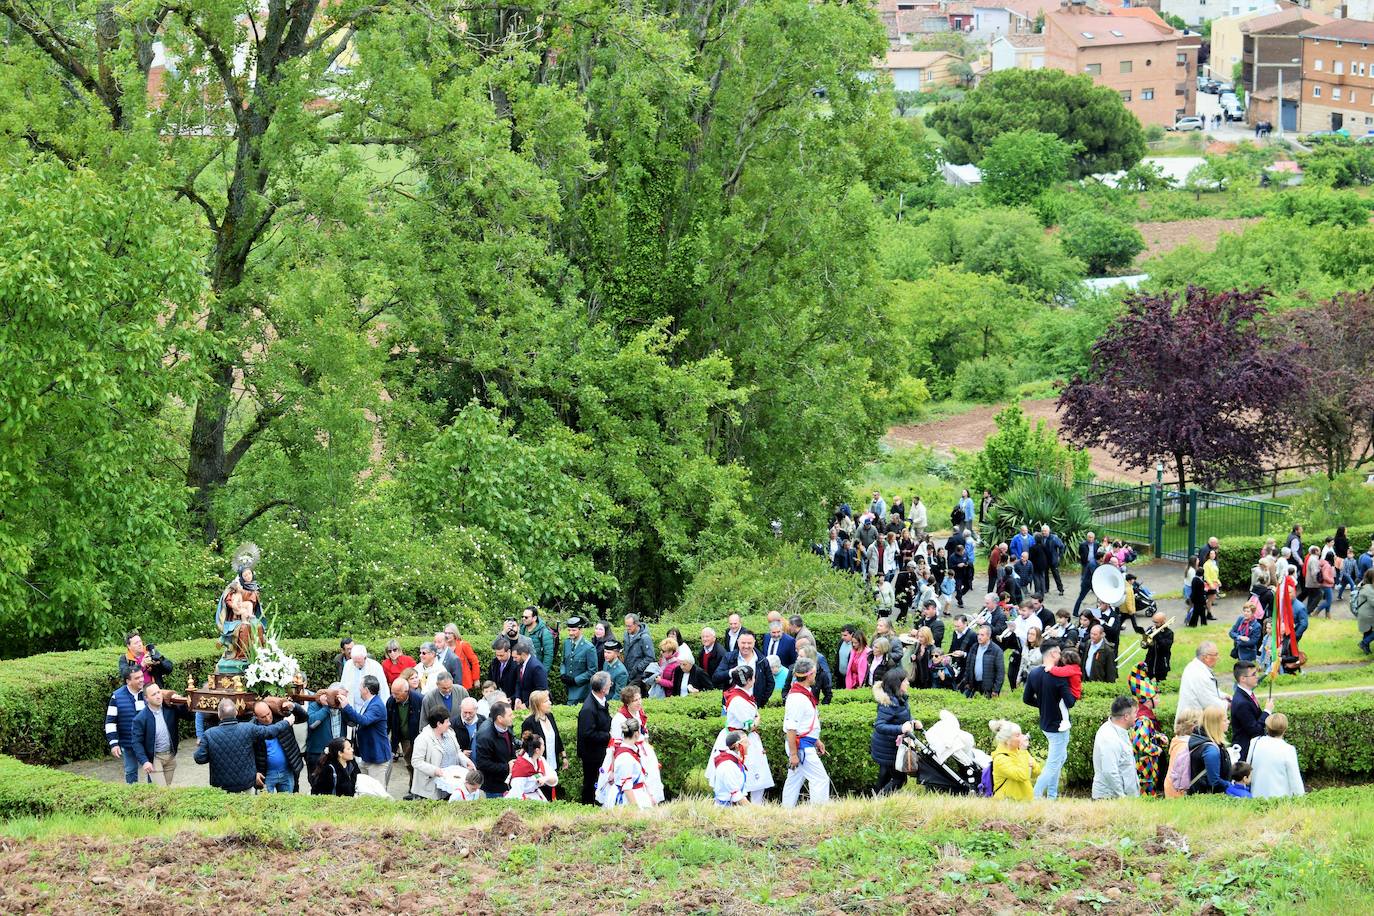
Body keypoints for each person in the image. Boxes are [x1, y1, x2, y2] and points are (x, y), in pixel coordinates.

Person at [194, 697, 295, 793]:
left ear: (219, 715)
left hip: (221, 788)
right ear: (236, 713)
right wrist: (286, 723)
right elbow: (269, 732)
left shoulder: (209, 734)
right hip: (245, 785)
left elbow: (199, 758)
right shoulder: (248, 728)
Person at [706, 666, 774, 803]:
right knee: (751, 775)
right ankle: (751, 805)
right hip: (741, 739)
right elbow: (749, 725)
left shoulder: (736, 694)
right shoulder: (738, 700)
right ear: (749, 680)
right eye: (753, 677)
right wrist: (757, 719)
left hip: (739, 736)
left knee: (753, 775)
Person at [1023, 642, 1075, 799]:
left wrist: (1044, 705)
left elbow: (1026, 698)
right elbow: (1070, 702)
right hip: (1058, 725)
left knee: (1060, 758)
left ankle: (1052, 795)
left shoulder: (1034, 673)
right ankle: (1036, 795)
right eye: (1059, 653)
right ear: (1053, 654)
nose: (1061, 656)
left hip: (1046, 723)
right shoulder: (1059, 677)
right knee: (1053, 764)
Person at [781, 658, 829, 807]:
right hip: (801, 746)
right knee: (820, 779)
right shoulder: (797, 697)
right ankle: (818, 814)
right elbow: (791, 728)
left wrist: (816, 740)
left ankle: (786, 810)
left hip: (804, 744)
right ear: (809, 675)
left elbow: (804, 723)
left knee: (794, 780)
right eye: (814, 673)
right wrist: (794, 754)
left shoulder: (802, 693)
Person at [611, 686, 665, 803]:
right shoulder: (619, 718)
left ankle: (651, 801)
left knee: (651, 777)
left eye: (640, 699)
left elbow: (644, 734)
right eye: (635, 700)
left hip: (642, 750)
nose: (639, 702)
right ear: (627, 702)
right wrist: (613, 768)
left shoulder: (639, 713)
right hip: (626, 753)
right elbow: (614, 745)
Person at [130, 682, 190, 786]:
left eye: (159, 692)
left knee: (166, 789)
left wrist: (180, 702)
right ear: (146, 698)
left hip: (170, 756)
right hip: (155, 759)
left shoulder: (170, 709)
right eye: (153, 694)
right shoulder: (140, 718)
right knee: (161, 791)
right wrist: (145, 761)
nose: (158, 696)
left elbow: (189, 717)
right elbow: (136, 742)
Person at [870, 668, 916, 796]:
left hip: (889, 747)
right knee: (899, 779)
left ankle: (874, 798)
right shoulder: (889, 703)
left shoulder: (899, 698)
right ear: (897, 684)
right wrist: (901, 728)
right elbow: (879, 725)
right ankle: (880, 800)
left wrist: (913, 722)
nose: (908, 683)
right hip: (887, 748)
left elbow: (902, 717)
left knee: (884, 774)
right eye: (905, 681)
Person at [339, 675, 391, 785]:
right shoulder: (369, 703)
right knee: (363, 790)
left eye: (360, 687)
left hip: (377, 758)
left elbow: (364, 720)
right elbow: (356, 722)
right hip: (367, 756)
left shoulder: (376, 705)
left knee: (377, 794)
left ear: (366, 690)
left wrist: (347, 706)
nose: (359, 689)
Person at [1127, 667, 1167, 797]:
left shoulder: (1141, 714)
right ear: (1149, 700)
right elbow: (1140, 744)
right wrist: (1158, 749)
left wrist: (1158, 736)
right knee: (1147, 798)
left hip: (1145, 766)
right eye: (1156, 697)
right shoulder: (1144, 718)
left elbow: (1145, 735)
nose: (1158, 699)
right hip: (1145, 768)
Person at [251, 699, 306, 794]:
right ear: (256, 716)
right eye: (263, 717)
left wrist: (293, 706)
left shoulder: (281, 717)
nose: (267, 718)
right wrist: (254, 772)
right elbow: (247, 753)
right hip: (266, 774)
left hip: (286, 770)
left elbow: (303, 717)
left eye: (268, 714)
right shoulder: (252, 728)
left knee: (287, 803)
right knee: (266, 805)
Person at [520, 689, 566, 800]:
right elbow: (527, 747)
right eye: (546, 701)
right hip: (538, 767)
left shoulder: (550, 717)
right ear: (538, 705)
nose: (550, 703)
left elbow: (557, 737)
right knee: (543, 795)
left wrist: (563, 756)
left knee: (552, 793)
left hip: (553, 762)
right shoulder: (529, 722)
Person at [1092, 696, 1140, 799]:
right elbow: (1110, 772)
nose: (1137, 716)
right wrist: (1122, 797)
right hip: (1111, 799)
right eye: (1135, 713)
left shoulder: (1119, 731)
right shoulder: (1109, 737)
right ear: (1126, 716)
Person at [105, 667, 147, 784]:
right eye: (137, 678)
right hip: (128, 742)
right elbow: (110, 722)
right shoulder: (117, 696)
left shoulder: (148, 692)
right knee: (131, 771)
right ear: (128, 681)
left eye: (142, 676)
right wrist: (113, 743)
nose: (141, 680)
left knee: (153, 772)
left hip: (148, 741)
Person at [577, 672, 614, 805]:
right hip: (592, 754)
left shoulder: (601, 700)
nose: (611, 685)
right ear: (603, 689)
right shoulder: (588, 709)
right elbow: (587, 733)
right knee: (591, 782)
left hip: (599, 750)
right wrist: (608, 735)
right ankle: (588, 806)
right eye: (610, 683)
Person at [1248, 713, 1305, 798]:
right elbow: (1295, 780)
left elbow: (1248, 767)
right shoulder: (1288, 749)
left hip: (1256, 796)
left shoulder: (1255, 742)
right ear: (1285, 729)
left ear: (1267, 727)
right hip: (1279, 800)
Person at [601, 717, 652, 809]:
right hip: (628, 799)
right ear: (636, 734)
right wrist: (635, 808)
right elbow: (626, 787)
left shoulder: (628, 751)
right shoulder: (625, 757)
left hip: (636, 793)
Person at [714, 631, 774, 707]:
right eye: (743, 643)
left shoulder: (762, 660)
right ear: (738, 642)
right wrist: (731, 673)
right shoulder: (729, 657)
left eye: (749, 643)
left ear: (754, 643)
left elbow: (770, 683)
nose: (746, 646)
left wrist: (760, 702)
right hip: (731, 704)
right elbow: (716, 677)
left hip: (753, 705)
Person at [1176, 642, 1227, 726]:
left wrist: (1224, 695)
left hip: (1192, 721)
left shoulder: (1196, 667)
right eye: (1216, 654)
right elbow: (1210, 703)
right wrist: (1228, 704)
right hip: (1192, 724)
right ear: (1206, 657)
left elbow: (1209, 690)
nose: (1218, 658)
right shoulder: (1198, 673)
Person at [474, 700, 518, 797]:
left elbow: (511, 741)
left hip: (508, 781)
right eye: (510, 715)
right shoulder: (486, 736)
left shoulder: (507, 725)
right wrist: (507, 767)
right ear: (500, 718)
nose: (513, 717)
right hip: (494, 787)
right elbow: (482, 764)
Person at [988, 718, 1040, 800]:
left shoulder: (1020, 751)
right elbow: (1022, 776)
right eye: (1018, 735)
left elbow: (1036, 773)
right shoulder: (1000, 759)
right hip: (1007, 803)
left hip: (1026, 800)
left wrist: (1032, 765)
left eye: (1021, 734)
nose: (1023, 737)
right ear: (1007, 740)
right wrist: (1024, 754)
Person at [386, 676, 421, 795]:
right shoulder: (391, 701)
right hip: (400, 736)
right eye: (392, 693)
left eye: (397, 694)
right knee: (409, 762)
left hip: (415, 737)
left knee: (414, 763)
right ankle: (414, 787)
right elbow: (388, 722)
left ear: (406, 692)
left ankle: (414, 788)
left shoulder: (419, 700)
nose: (394, 696)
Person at [1230, 661, 1272, 761]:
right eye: (1253, 675)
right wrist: (1267, 712)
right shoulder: (1242, 702)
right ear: (1243, 679)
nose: (1257, 677)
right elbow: (1255, 730)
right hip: (1246, 752)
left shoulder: (1247, 695)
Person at [1187, 706, 1233, 794]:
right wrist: (1230, 785)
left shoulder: (1198, 738)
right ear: (1215, 724)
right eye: (1225, 720)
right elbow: (1214, 781)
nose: (1228, 722)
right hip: (1205, 796)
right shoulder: (1211, 750)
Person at [305, 681, 347, 775]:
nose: (340, 699)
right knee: (317, 785)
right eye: (338, 696)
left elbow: (353, 723)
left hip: (338, 754)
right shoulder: (315, 706)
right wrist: (325, 708)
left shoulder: (343, 707)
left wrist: (346, 708)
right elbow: (312, 724)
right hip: (318, 754)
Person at [559, 615, 598, 705]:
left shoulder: (589, 648)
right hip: (567, 688)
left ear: (581, 630)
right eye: (569, 630)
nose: (570, 633)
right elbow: (563, 662)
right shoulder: (566, 643)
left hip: (581, 690)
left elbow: (592, 671)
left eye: (574, 630)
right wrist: (563, 674)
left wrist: (575, 680)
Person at [1163, 708, 1202, 798]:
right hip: (1178, 791)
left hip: (1170, 786)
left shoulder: (1177, 740)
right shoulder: (1186, 746)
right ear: (1193, 726)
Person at [507, 732, 555, 801]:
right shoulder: (521, 766)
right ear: (537, 750)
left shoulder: (539, 760)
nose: (544, 748)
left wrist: (545, 778)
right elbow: (516, 794)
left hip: (536, 795)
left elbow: (553, 777)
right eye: (543, 745)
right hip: (524, 800)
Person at [709, 732, 751, 806]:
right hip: (725, 809)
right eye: (746, 742)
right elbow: (736, 795)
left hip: (734, 807)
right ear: (737, 746)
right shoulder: (728, 765)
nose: (749, 744)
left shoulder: (735, 761)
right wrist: (754, 810)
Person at [963, 625, 1004, 699]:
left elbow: (1000, 672)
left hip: (988, 688)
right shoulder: (974, 647)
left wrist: (996, 690)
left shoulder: (996, 651)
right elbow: (968, 666)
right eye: (978, 634)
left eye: (982, 635)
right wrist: (967, 681)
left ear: (988, 636)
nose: (979, 637)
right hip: (974, 684)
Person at [512, 637, 549, 710]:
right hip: (523, 703)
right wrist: (517, 697)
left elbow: (542, 690)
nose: (514, 660)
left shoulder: (537, 667)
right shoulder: (520, 664)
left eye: (515, 657)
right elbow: (519, 683)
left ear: (523, 655)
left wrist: (527, 704)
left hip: (535, 707)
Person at [443, 623, 481, 690]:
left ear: (455, 634)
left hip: (463, 683)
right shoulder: (443, 646)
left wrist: (476, 679)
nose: (447, 635)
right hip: (446, 683)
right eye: (445, 633)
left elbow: (474, 661)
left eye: (449, 633)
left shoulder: (463, 645)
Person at [520, 606, 556, 671]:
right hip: (523, 668)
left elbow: (548, 655)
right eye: (522, 616)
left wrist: (543, 673)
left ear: (534, 618)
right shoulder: (521, 628)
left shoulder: (545, 633)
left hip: (536, 668)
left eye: (526, 617)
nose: (523, 619)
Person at [622, 614, 654, 687]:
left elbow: (650, 657)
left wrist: (638, 668)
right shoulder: (626, 635)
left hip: (639, 675)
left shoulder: (645, 638)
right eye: (626, 625)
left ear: (636, 624)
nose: (627, 628)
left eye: (629, 626)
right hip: (628, 672)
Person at [1073, 531, 1099, 616]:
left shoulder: (1096, 544)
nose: (1090, 539)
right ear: (1087, 537)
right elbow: (1080, 552)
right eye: (1089, 537)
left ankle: (1098, 612)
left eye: (1092, 537)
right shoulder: (1083, 545)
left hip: (1091, 580)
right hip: (1086, 565)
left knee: (1099, 597)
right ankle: (1075, 612)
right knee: (1081, 596)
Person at [1357, 568, 1374, 655]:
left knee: (1367, 631)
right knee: (1368, 631)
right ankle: (1363, 643)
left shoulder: (1365, 586)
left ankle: (1366, 648)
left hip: (1364, 613)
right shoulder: (1369, 588)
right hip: (1368, 615)